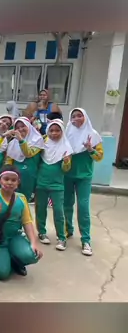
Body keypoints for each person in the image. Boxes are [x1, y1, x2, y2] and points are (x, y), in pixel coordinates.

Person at [0, 166, 43, 279]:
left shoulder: (21, 198)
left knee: (32, 255)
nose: (9, 182)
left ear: (18, 182)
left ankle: (16, 261)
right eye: (6, 179)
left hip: (14, 236)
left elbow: (27, 222)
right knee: (2, 273)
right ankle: (4, 258)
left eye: (13, 180)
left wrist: (33, 243)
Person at [65, 108, 104, 256]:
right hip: (67, 175)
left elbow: (99, 157)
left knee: (83, 207)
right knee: (66, 204)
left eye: (79, 115)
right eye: (73, 116)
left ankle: (86, 240)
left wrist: (90, 149)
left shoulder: (93, 135)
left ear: (85, 117)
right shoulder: (66, 133)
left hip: (84, 176)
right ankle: (67, 230)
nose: (76, 118)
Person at [36, 120, 72, 251]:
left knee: (58, 210)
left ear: (62, 132)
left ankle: (61, 237)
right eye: (51, 130)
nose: (54, 133)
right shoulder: (42, 145)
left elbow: (65, 169)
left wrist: (66, 162)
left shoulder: (66, 147)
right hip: (41, 182)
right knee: (40, 209)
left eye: (57, 130)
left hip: (57, 185)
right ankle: (41, 232)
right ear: (47, 131)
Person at [5, 117, 44, 201]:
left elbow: (28, 153)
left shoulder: (37, 140)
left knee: (24, 199)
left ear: (28, 126)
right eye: (17, 128)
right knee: (12, 199)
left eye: (23, 126)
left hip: (29, 175)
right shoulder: (13, 143)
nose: (20, 129)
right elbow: (8, 160)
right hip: (14, 175)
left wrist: (21, 140)